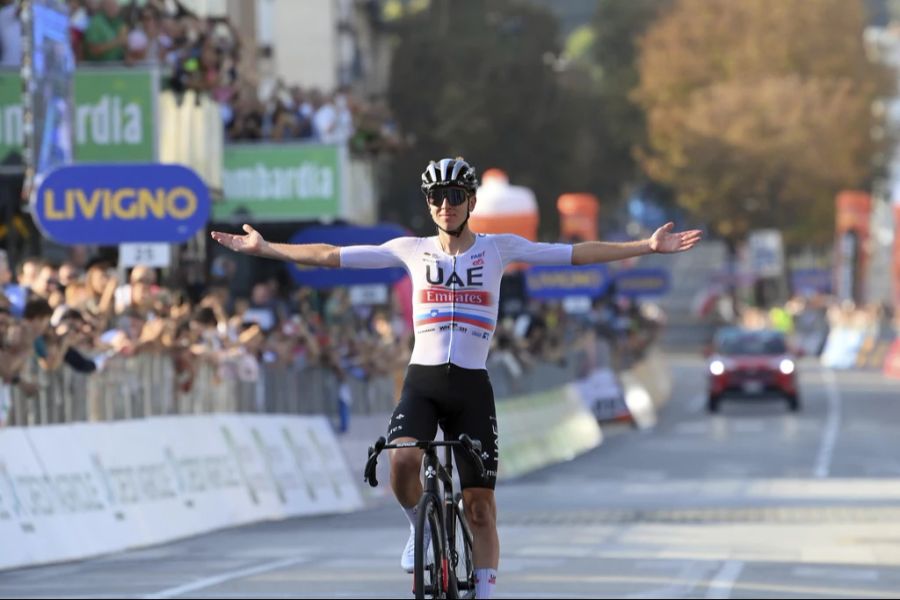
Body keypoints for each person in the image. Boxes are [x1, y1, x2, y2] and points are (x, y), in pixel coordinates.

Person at [211, 156, 702, 599]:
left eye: (455, 196)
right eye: (436, 197)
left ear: (470, 201)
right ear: (428, 205)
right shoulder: (410, 249)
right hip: (422, 382)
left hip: (471, 387)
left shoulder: (497, 249)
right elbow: (330, 254)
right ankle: (415, 528)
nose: (445, 205)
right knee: (402, 462)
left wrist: (646, 246)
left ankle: (484, 593)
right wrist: (267, 248)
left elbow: (574, 254)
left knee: (480, 507)